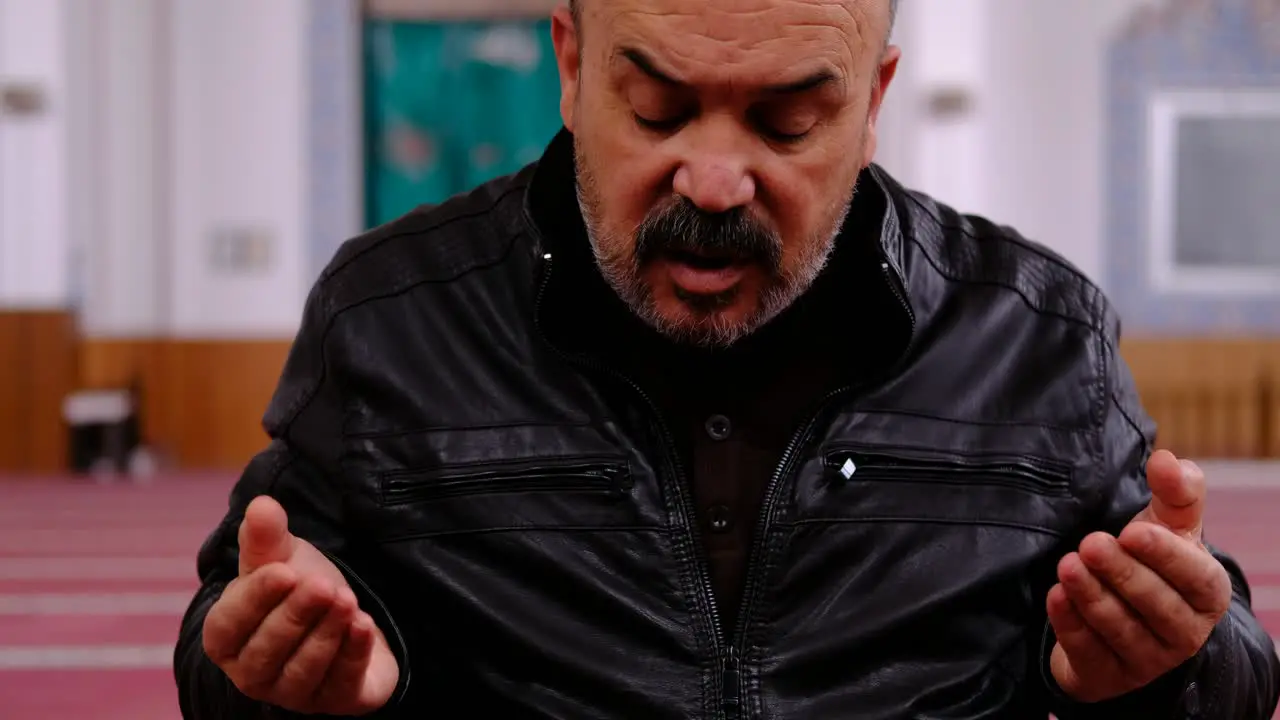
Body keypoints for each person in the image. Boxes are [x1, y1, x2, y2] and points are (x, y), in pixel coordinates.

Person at [173, 0, 1280, 717]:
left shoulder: (1037, 334)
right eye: (655, 110)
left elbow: (1225, 666)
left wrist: (1167, 670)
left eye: (786, 123)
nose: (712, 181)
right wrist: (276, 681)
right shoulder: (389, 318)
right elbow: (230, 641)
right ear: (568, 65)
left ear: (872, 101)